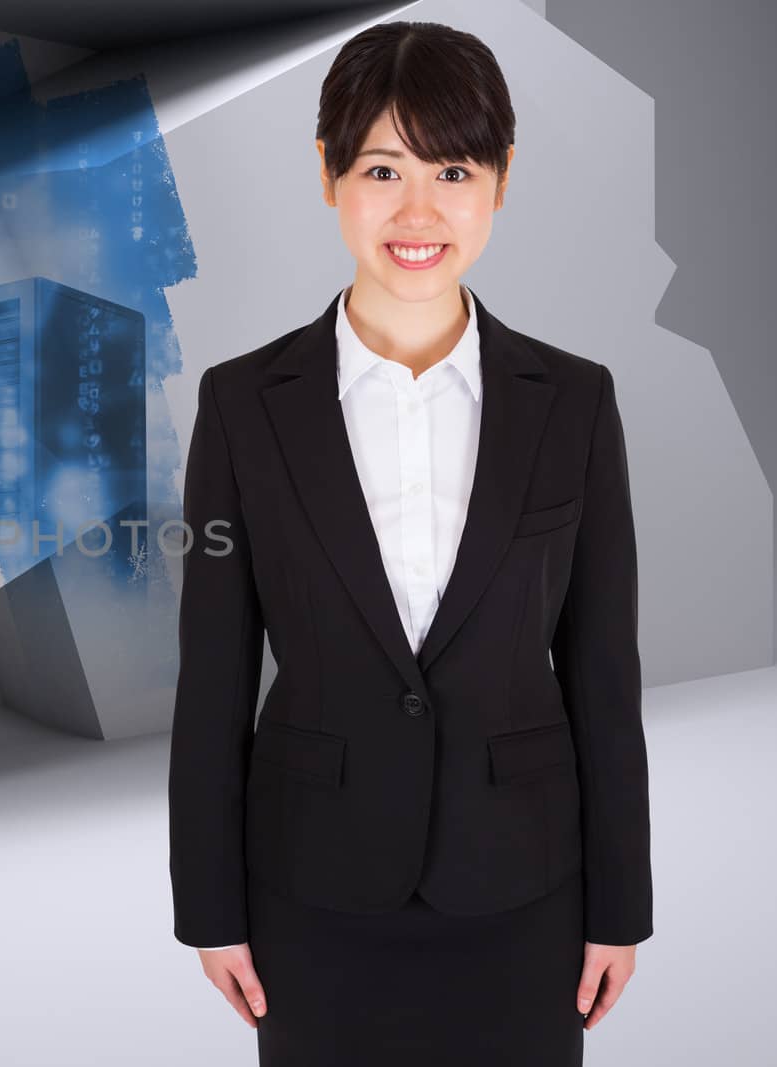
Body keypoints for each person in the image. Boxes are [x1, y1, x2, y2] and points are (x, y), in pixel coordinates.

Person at [166, 20, 653, 1067]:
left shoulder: (574, 401)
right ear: (329, 173)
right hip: (312, 886)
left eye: (453, 168)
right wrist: (208, 907)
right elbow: (211, 674)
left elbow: (604, 675)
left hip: (525, 887)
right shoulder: (244, 404)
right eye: (382, 168)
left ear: (502, 180)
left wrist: (621, 903)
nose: (418, 210)